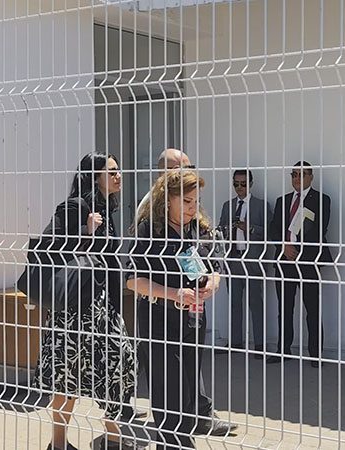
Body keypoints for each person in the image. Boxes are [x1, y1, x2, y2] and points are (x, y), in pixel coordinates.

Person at [30, 152, 139, 450]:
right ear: (94, 176)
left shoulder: (107, 209)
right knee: (67, 378)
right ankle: (59, 443)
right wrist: (84, 231)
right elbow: (45, 248)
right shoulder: (75, 207)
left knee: (118, 367)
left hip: (103, 310)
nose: (118, 176)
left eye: (118, 170)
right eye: (111, 171)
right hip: (74, 311)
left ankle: (113, 438)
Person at [127, 169, 231, 450]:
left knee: (188, 392)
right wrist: (173, 293)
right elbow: (132, 280)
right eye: (186, 201)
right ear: (167, 199)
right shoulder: (149, 231)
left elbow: (216, 267)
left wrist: (212, 284)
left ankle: (182, 442)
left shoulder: (200, 229)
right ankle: (171, 444)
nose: (192, 207)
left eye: (196, 201)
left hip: (193, 319)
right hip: (158, 318)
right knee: (167, 393)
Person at [267, 161, 331, 367]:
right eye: (293, 174)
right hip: (285, 261)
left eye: (302, 174)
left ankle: (315, 354)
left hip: (308, 261)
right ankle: (283, 350)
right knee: (285, 309)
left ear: (311, 177)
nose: (297, 178)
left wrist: (298, 248)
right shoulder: (283, 200)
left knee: (312, 309)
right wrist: (284, 246)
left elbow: (320, 228)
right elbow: (274, 229)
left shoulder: (321, 200)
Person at [217, 169, 273, 357]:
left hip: (252, 260)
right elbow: (220, 231)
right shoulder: (228, 206)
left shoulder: (261, 205)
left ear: (251, 184)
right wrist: (225, 229)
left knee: (255, 303)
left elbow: (270, 232)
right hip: (233, 258)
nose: (239, 187)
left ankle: (259, 345)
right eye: (236, 184)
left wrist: (249, 228)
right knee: (234, 303)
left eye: (243, 184)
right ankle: (235, 342)